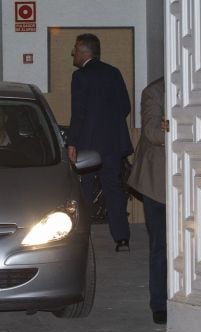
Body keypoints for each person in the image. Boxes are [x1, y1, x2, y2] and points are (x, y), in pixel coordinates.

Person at [67, 33, 134, 252]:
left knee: (84, 190)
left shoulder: (80, 76)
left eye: (75, 49)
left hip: (88, 144)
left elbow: (79, 113)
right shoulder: (113, 73)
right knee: (113, 189)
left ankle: (81, 237)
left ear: (85, 52)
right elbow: (125, 106)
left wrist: (72, 142)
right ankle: (122, 238)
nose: (73, 54)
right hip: (112, 143)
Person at [128, 77, 168, 325]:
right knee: (161, 245)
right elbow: (153, 133)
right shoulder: (154, 92)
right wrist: (181, 125)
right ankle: (159, 303)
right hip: (158, 183)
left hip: (192, 180)